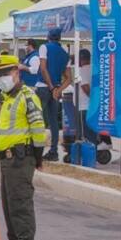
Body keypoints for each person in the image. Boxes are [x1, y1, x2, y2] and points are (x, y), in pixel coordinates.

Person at [0, 55, 46, 240]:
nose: (1, 78)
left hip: (21, 158)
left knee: (21, 205)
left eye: (5, 73)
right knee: (9, 205)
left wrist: (38, 157)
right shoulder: (8, 98)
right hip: (7, 159)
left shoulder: (27, 97)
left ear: (16, 72)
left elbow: (38, 129)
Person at [35, 28, 71, 161]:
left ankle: (34, 150)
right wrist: (57, 90)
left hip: (43, 87)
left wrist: (50, 87)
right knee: (53, 121)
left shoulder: (44, 47)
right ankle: (53, 152)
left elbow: (43, 68)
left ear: (48, 37)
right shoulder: (65, 54)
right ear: (59, 38)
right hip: (55, 91)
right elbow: (69, 78)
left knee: (35, 118)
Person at [76, 49, 96, 144]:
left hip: (84, 107)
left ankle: (89, 151)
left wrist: (92, 99)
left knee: (85, 134)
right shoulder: (94, 68)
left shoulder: (83, 70)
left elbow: (85, 86)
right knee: (92, 132)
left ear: (80, 59)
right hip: (92, 107)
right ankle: (93, 150)